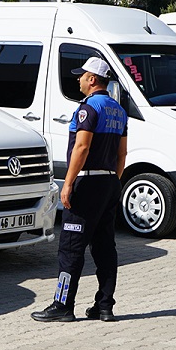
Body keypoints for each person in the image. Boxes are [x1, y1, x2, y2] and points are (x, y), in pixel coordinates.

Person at [32, 57, 128, 323]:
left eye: (82, 75)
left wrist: (70, 183)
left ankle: (63, 305)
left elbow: (82, 147)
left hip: (88, 184)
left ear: (93, 79)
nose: (79, 79)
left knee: (71, 248)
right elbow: (122, 154)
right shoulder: (118, 110)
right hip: (109, 182)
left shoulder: (88, 108)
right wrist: (114, 182)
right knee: (105, 247)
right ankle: (105, 306)